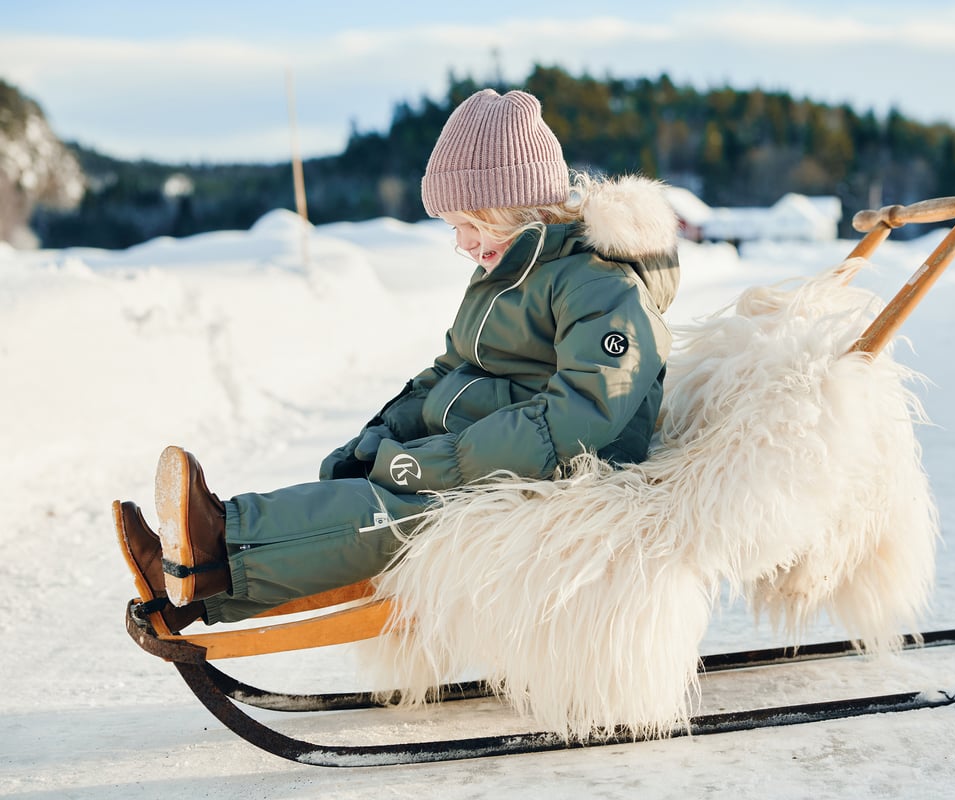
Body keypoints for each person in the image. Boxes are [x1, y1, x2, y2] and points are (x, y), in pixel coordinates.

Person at [114, 88, 681, 634]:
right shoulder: (509, 272)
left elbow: (579, 416)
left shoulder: (600, 286)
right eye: (454, 227)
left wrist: (436, 463)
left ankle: (214, 550)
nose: (461, 242)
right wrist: (380, 437)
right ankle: (193, 574)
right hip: (493, 452)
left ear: (512, 208)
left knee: (393, 511)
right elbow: (450, 370)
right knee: (360, 491)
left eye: (470, 223)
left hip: (567, 476)